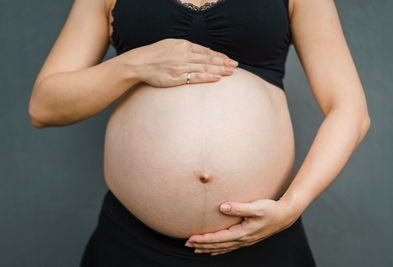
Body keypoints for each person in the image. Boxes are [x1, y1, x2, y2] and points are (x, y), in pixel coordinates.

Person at [28, 0, 371, 266]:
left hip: (264, 237)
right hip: (134, 242)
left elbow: (350, 110)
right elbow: (44, 106)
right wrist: (135, 64)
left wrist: (292, 206)